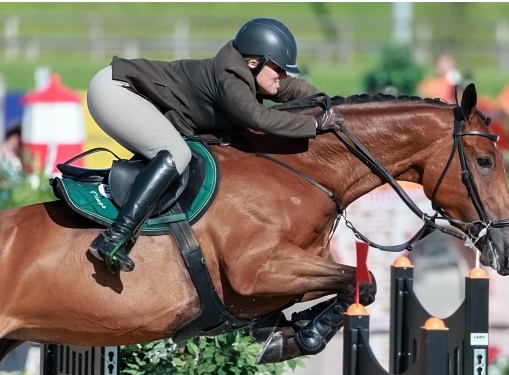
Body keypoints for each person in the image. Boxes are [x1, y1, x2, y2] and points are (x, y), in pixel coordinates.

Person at [86, 17, 343, 273]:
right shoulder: (230, 80)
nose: (284, 75)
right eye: (279, 69)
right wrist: (315, 125)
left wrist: (330, 103)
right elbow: (258, 118)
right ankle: (113, 238)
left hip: (122, 90)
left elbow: (290, 89)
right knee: (176, 153)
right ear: (254, 63)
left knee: (177, 153)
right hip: (115, 89)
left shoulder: (248, 73)